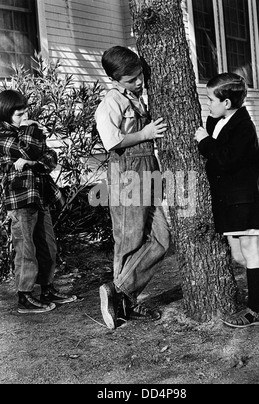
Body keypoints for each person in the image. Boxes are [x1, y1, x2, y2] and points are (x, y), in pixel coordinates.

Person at [194, 72, 259, 328]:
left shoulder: (243, 126)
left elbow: (225, 159)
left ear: (226, 103)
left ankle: (254, 310)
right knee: (239, 256)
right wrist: (209, 135)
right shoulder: (218, 120)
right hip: (228, 201)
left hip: (243, 200)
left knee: (251, 252)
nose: (208, 105)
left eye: (211, 100)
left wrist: (204, 143)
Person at [95, 45, 170, 329]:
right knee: (129, 238)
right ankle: (124, 304)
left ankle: (119, 290)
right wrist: (144, 133)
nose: (139, 82)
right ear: (115, 80)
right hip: (126, 170)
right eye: (131, 80)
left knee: (162, 238)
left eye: (140, 76)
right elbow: (112, 141)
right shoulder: (110, 102)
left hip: (148, 168)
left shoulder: (135, 97)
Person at [0, 89, 77, 314]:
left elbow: (50, 157)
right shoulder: (2, 135)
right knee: (25, 248)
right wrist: (31, 135)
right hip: (20, 200)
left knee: (47, 245)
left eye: (25, 112)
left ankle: (47, 288)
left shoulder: (31, 131)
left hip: (39, 196)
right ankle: (24, 296)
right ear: (5, 116)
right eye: (19, 114)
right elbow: (27, 150)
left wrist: (31, 163)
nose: (25, 117)